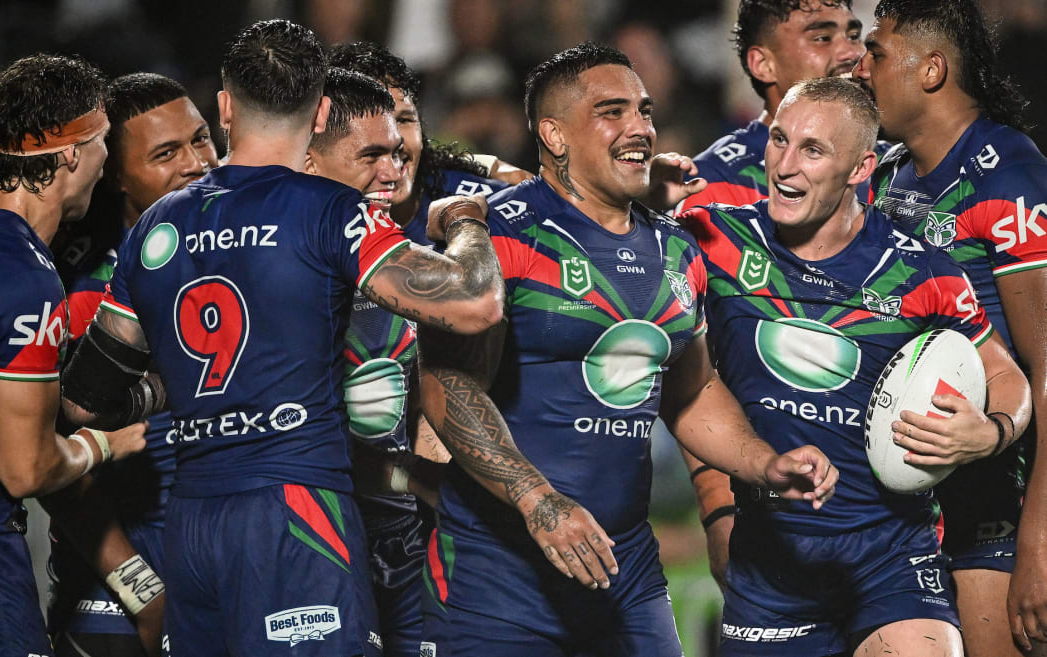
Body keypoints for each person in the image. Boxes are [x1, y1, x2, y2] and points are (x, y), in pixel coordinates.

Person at [59, 19, 506, 657]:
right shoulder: (329, 210)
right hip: (296, 512)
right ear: (321, 113)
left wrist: (170, 391)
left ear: (224, 108)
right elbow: (475, 302)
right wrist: (464, 220)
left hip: (193, 525)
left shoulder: (156, 226)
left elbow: (83, 402)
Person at [417, 42, 837, 657]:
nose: (640, 127)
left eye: (644, 110)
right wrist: (538, 501)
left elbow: (692, 393)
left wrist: (762, 464)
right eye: (612, 111)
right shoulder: (499, 235)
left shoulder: (677, 248)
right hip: (498, 576)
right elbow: (446, 385)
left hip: (624, 572)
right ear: (555, 135)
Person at [676, 76, 1031, 657]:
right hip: (771, 571)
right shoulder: (715, 238)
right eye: (780, 140)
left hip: (889, 558)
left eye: (812, 150)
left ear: (861, 168)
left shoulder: (922, 271)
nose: (785, 166)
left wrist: (989, 433)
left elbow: (1006, 377)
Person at [648, 0, 867, 590]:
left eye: (853, 33)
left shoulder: (898, 166)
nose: (849, 52)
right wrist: (717, 505)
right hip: (773, 493)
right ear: (762, 63)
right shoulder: (710, 190)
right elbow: (691, 361)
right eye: (821, 36)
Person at [854, 1, 1047, 654]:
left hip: (996, 505)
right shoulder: (888, 176)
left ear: (931, 70)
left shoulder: (1010, 175)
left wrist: (1039, 544)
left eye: (877, 52)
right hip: (898, 509)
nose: (862, 66)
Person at [48, 71, 219, 657]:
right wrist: (141, 591)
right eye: (166, 153)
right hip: (118, 563)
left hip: (230, 545)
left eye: (201, 139)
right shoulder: (74, 283)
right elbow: (44, 456)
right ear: (114, 174)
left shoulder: (259, 239)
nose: (197, 163)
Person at [0, 53, 151, 656]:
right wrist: (104, 444)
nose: (107, 161)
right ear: (71, 154)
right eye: (104, 141)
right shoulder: (26, 278)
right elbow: (26, 469)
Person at [303, 66, 426, 657]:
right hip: (315, 534)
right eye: (373, 153)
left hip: (411, 543)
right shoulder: (281, 263)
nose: (393, 171)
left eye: (398, 149)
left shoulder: (416, 260)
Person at [328, 42, 517, 252]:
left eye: (404, 120)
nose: (395, 139)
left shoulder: (489, 205)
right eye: (371, 123)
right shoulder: (308, 223)